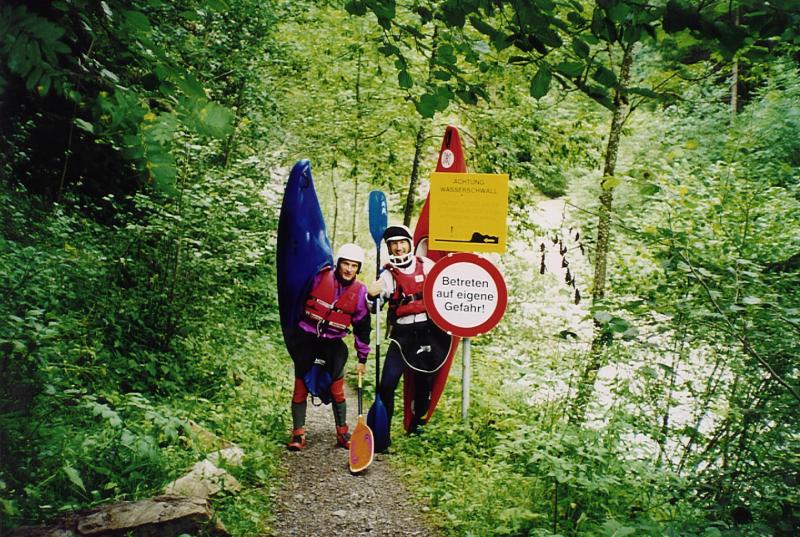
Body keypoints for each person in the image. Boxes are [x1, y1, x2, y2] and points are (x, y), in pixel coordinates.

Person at [367, 225, 451, 439]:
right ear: (389, 248)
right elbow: (373, 308)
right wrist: (371, 296)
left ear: (409, 244)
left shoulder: (427, 266)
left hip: (428, 332)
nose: (398, 248)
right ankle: (381, 435)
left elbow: (445, 291)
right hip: (402, 335)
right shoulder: (386, 275)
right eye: (393, 244)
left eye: (402, 242)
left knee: (424, 382)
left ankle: (415, 426)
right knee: (387, 384)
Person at [286, 243, 371, 451]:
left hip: (333, 344)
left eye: (354, 266)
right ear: (338, 264)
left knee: (337, 390)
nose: (349, 269)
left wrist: (362, 359)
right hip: (307, 340)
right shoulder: (318, 278)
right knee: (300, 388)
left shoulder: (360, 292)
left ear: (358, 269)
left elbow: (362, 327)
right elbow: (295, 299)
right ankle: (298, 434)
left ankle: (342, 432)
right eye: (345, 264)